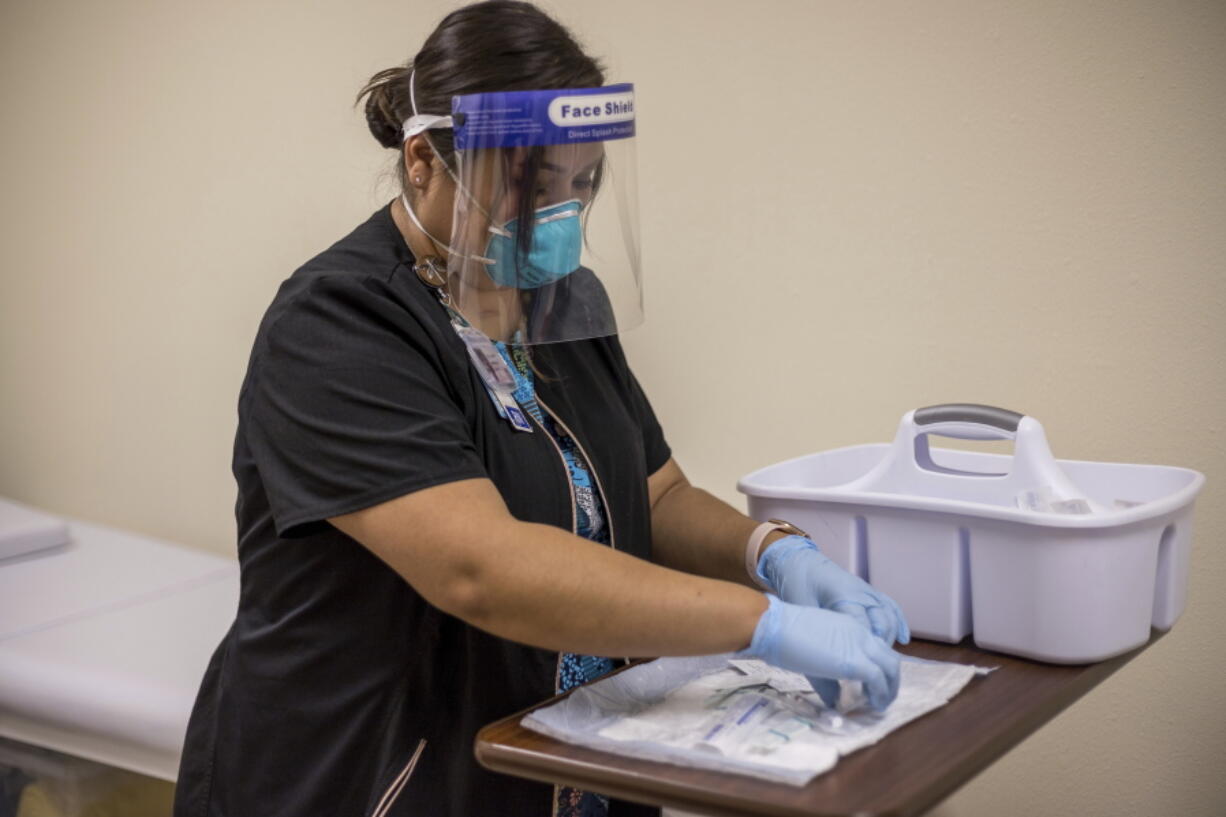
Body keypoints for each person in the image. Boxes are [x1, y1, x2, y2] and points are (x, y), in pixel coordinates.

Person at [172, 3, 910, 816]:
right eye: (527, 183)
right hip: (371, 776)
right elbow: (481, 567)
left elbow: (654, 492)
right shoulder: (335, 325)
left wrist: (774, 554)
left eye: (580, 183)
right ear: (423, 159)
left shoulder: (562, 302)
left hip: (568, 762)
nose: (557, 214)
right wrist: (760, 623)